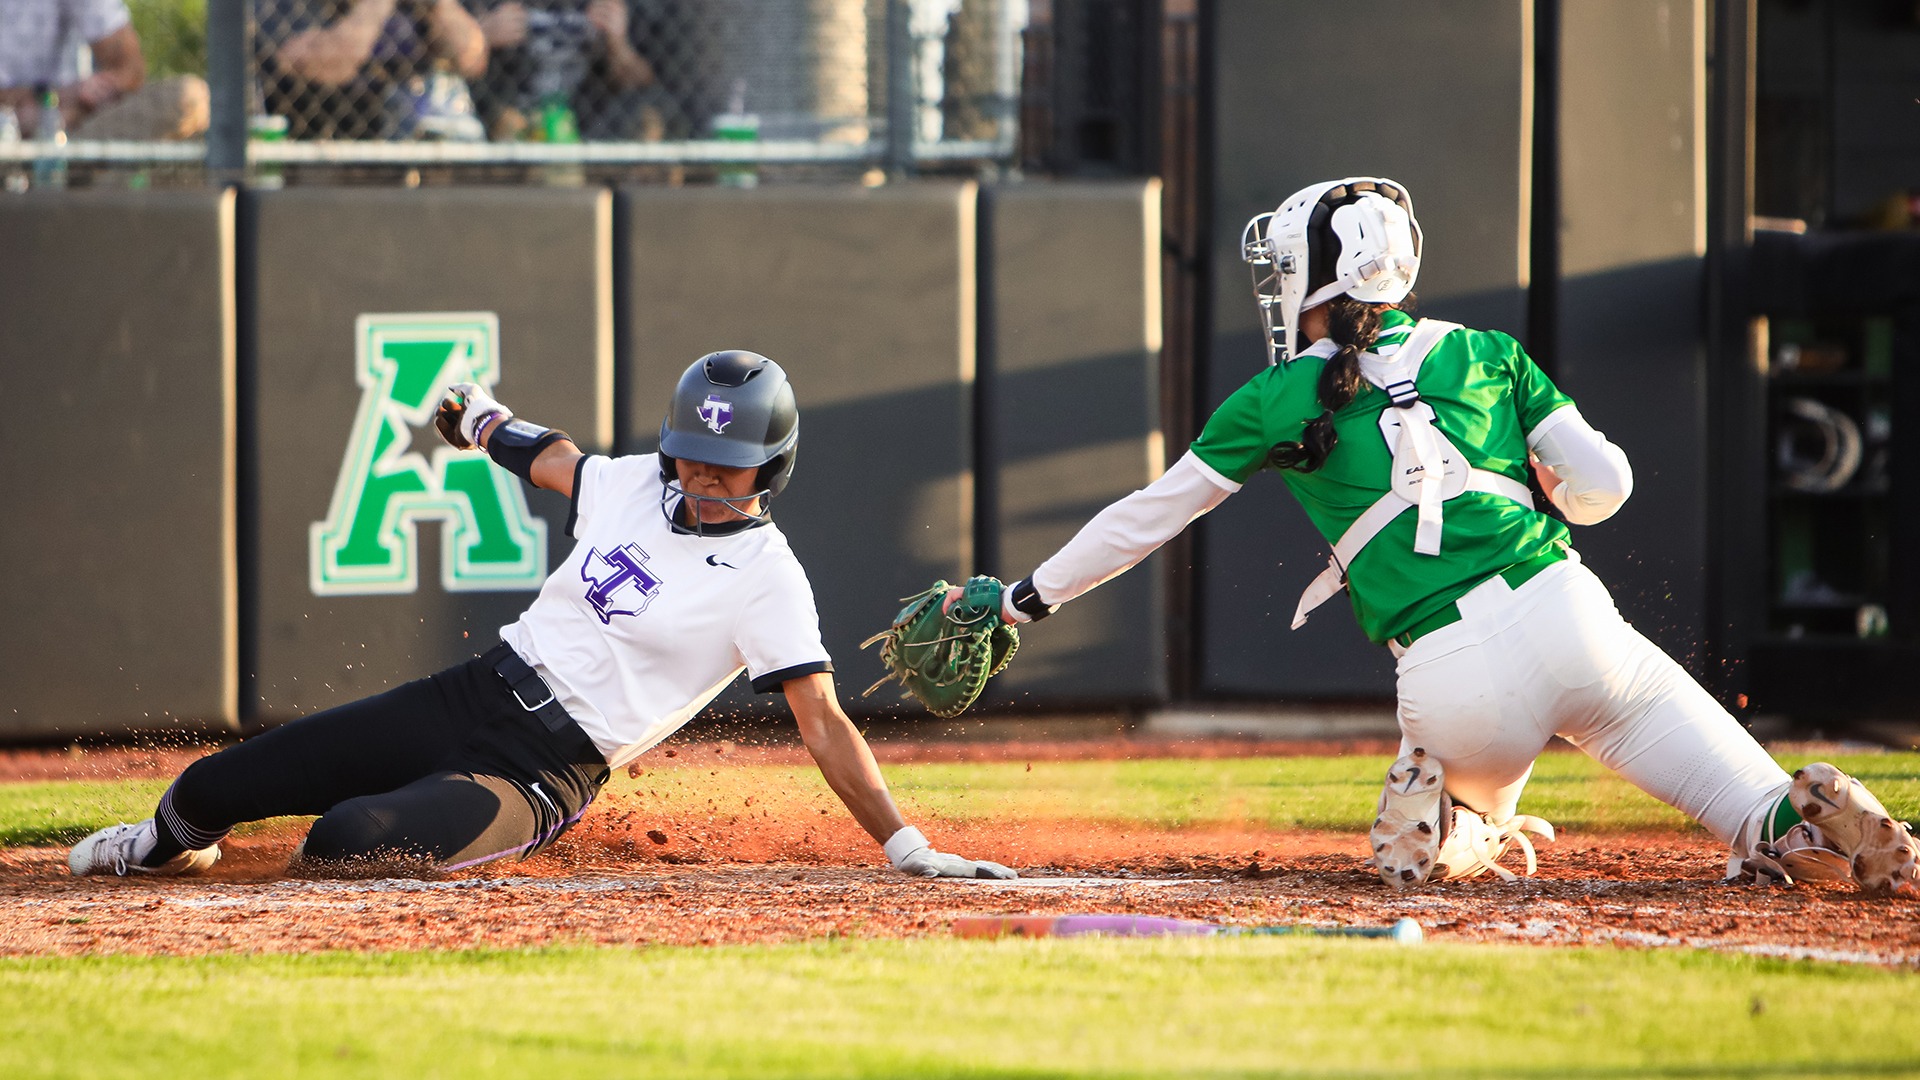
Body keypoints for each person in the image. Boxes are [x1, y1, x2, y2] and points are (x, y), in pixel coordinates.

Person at [966, 176, 1920, 896]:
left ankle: (1456, 824)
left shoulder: (1273, 395)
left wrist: (1024, 599)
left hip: (1445, 670)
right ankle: (1795, 828)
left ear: (1315, 273)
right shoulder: (1486, 352)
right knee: (1739, 797)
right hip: (1570, 616)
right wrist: (1554, 495)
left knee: (1475, 815)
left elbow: (1145, 517)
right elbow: (1608, 486)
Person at [71, 351, 1014, 883]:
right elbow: (555, 457)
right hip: (468, 695)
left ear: (773, 468)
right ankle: (162, 849)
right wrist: (479, 416)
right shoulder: (637, 483)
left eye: (725, 468)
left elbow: (822, 720)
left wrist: (907, 842)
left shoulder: (768, 575)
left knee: (346, 844)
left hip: (543, 770)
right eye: (688, 456)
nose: (698, 478)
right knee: (208, 787)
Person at [256, 0, 488, 140]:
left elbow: (472, 56)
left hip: (438, 144)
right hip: (345, 150)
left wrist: (439, 4)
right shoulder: (294, 7)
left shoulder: (418, 8)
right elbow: (322, 62)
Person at [0, 0, 208, 141]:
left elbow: (130, 69)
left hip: (62, 127)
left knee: (187, 98)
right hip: (26, 119)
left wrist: (90, 94)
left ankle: (83, 193)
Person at [466, 0, 660, 142]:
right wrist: (481, 35)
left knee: (647, 117)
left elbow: (645, 84)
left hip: (586, 121)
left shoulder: (614, 5)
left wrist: (618, 44)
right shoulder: (490, 5)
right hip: (509, 115)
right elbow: (452, 63)